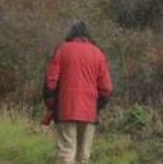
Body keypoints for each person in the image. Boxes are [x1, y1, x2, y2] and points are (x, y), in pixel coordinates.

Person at [43, 21, 113, 164]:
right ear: (88, 36)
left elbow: (50, 83)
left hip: (66, 109)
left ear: (71, 34)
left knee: (66, 152)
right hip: (88, 112)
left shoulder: (62, 50)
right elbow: (106, 89)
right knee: (83, 156)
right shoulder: (98, 53)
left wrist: (51, 104)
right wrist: (96, 106)